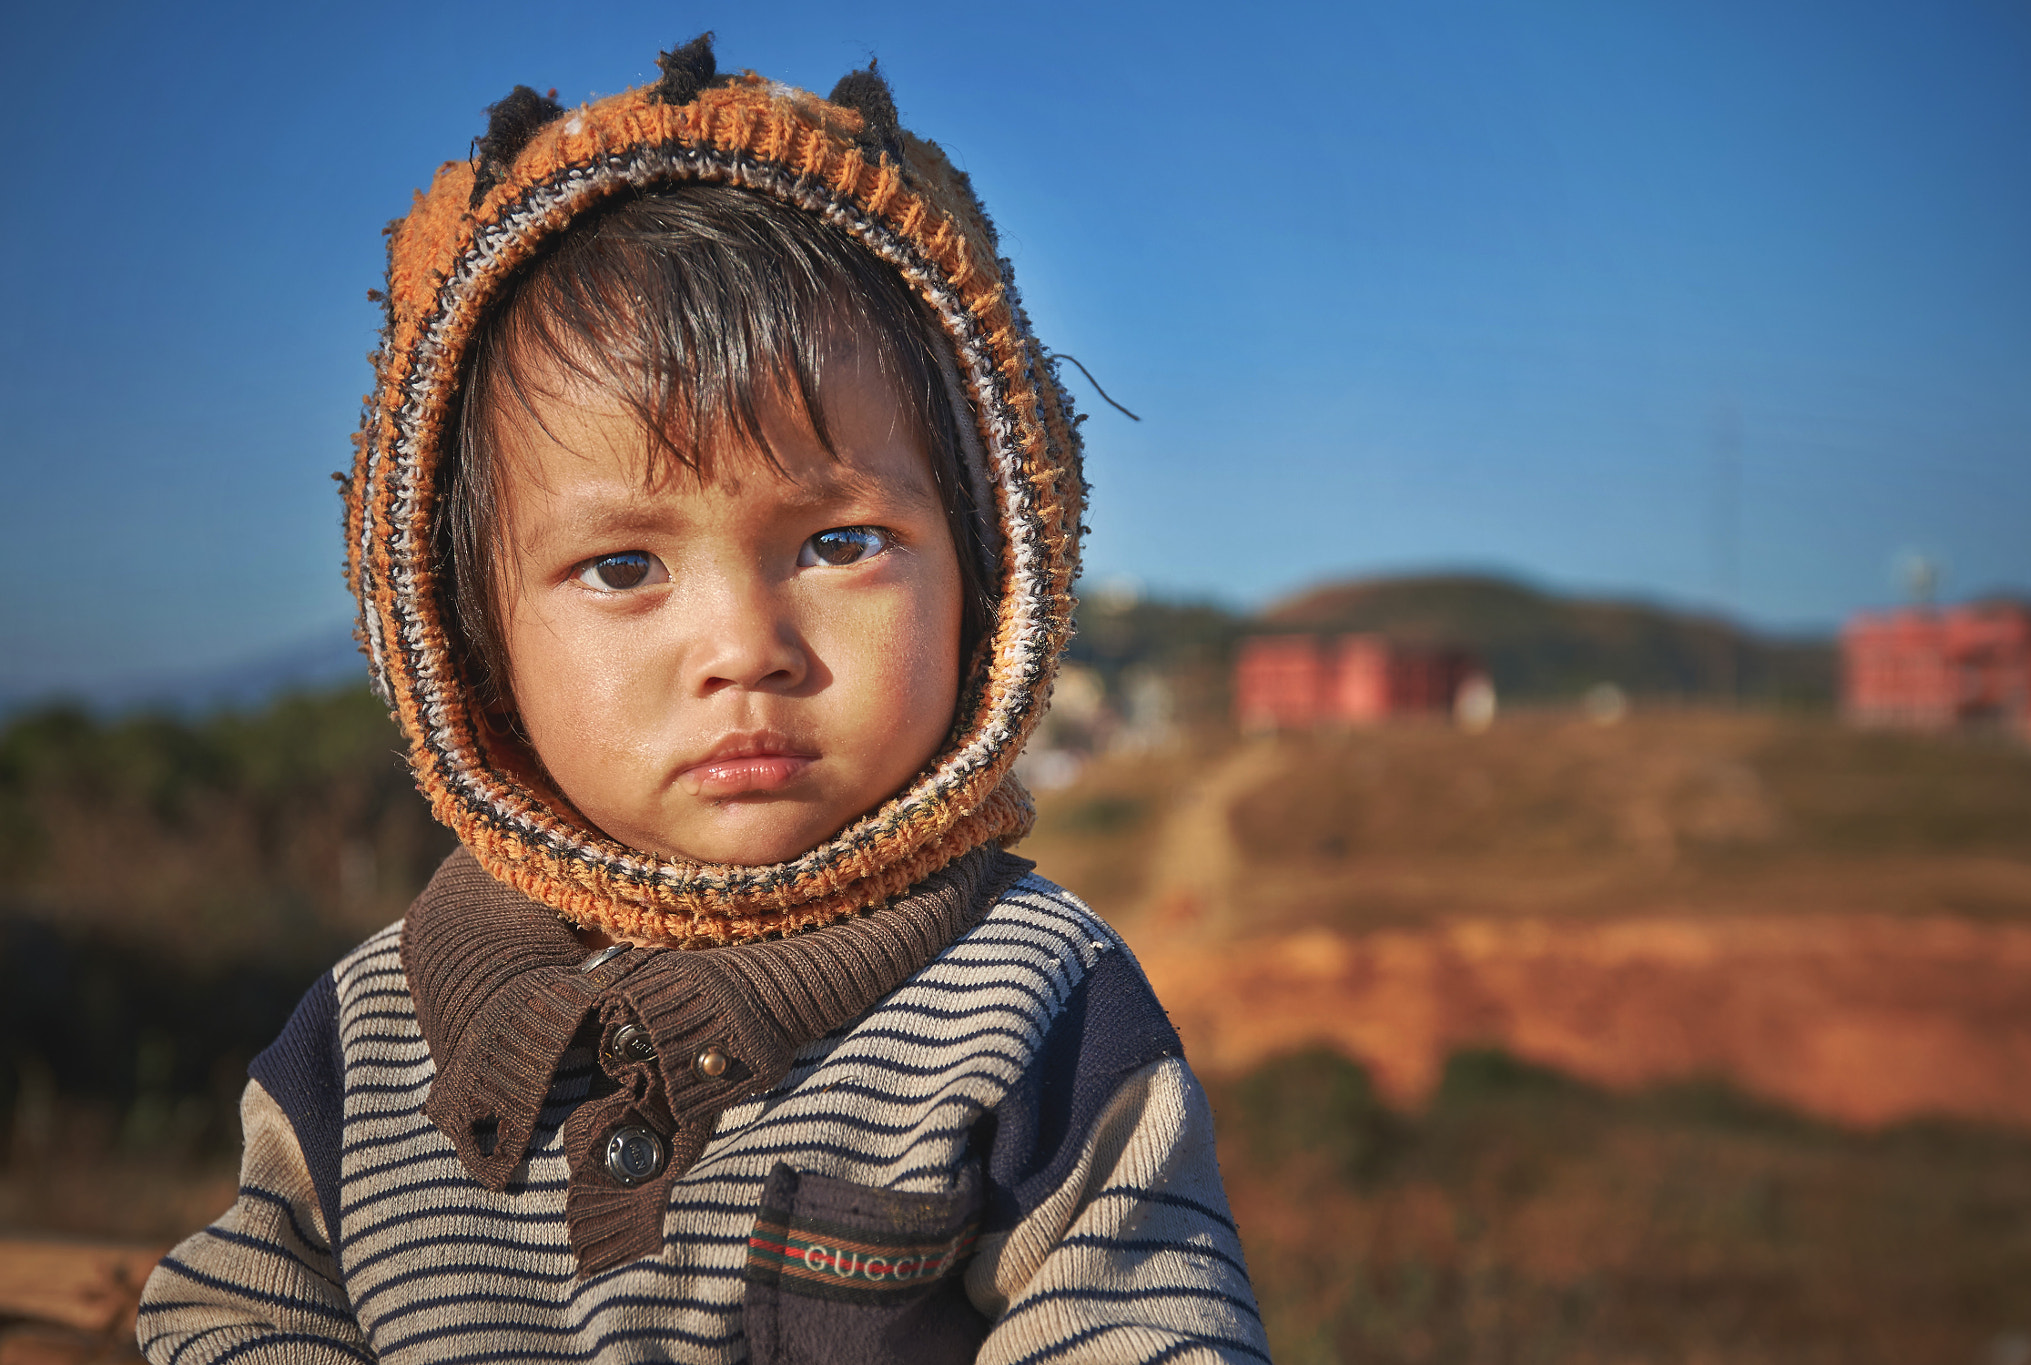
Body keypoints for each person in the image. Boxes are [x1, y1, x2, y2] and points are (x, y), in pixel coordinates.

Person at [136, 35, 1268, 1365]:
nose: (746, 646)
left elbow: (1145, 1326)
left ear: (997, 570)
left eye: (840, 543)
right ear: (463, 638)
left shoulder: (1032, 999)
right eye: (623, 567)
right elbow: (235, 1311)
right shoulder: (370, 1035)